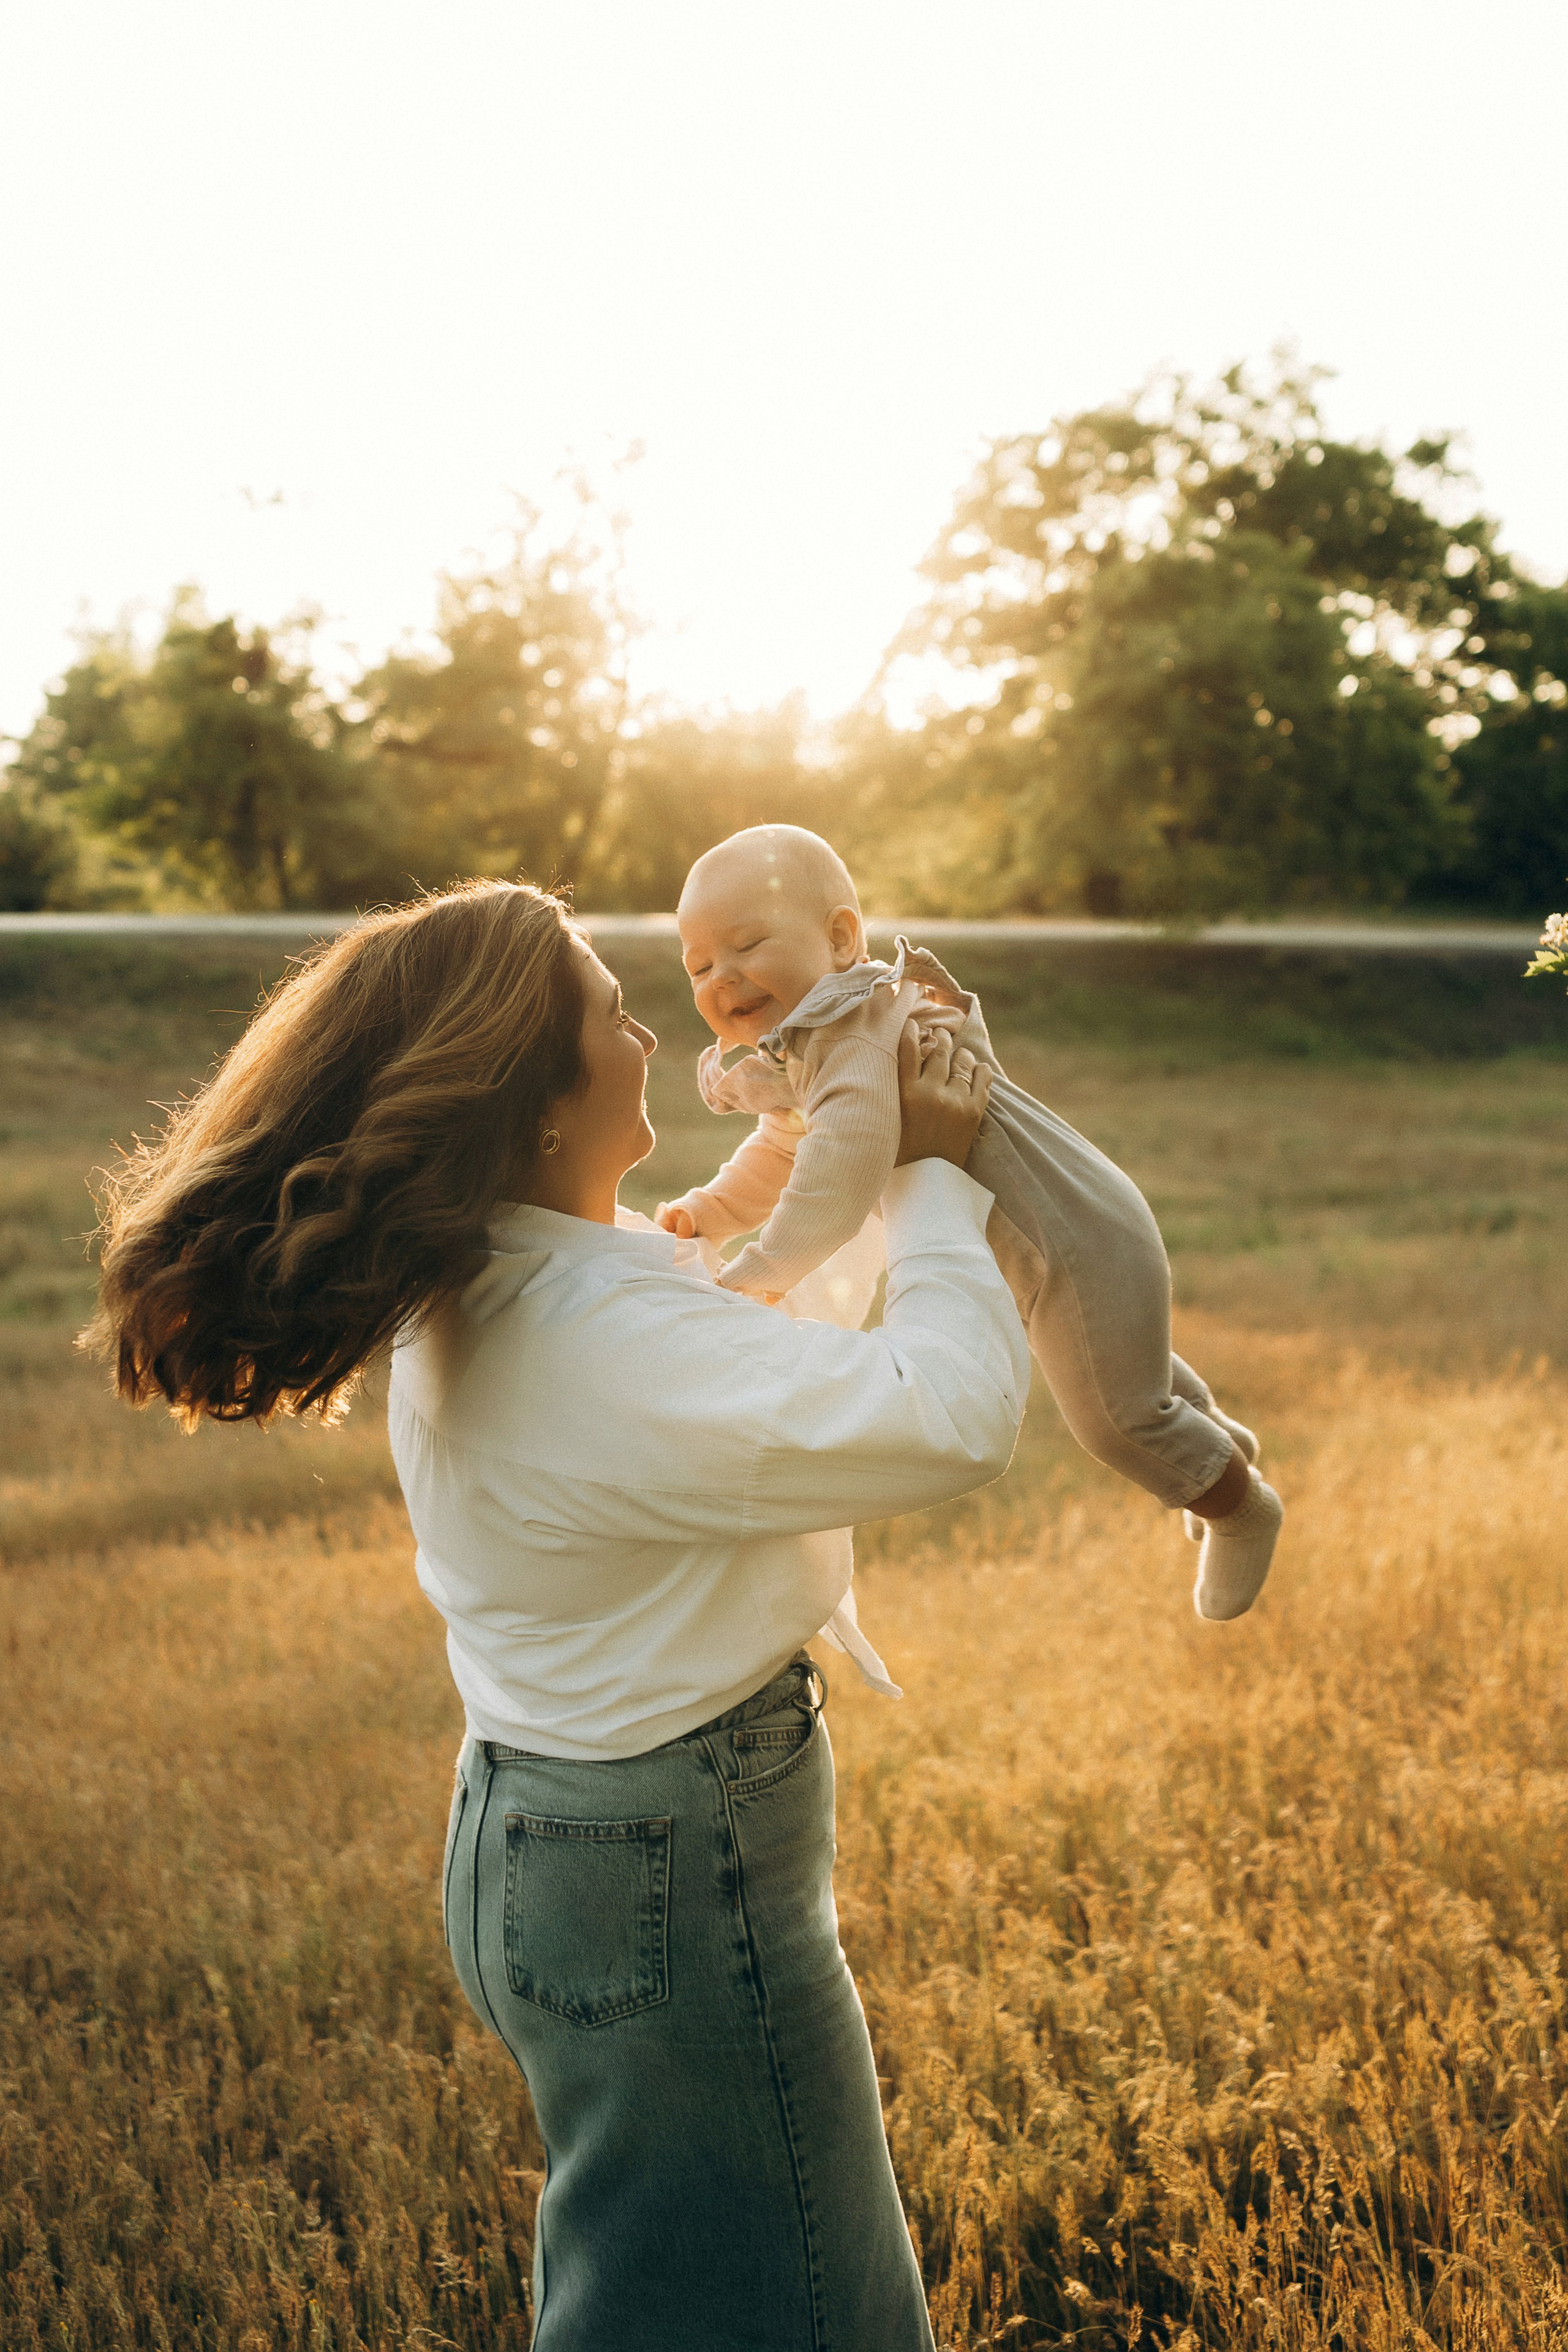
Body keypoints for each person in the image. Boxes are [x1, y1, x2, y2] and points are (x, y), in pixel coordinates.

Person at [83, 878, 1028, 2352]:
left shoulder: (507, 1281)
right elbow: (950, 1417)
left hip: (562, 1830)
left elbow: (747, 1375)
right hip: (663, 1847)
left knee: (677, 2287)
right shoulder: (591, 1334)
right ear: (530, 1100)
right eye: (608, 1009)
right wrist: (937, 1176)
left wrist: (850, 1136)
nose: (650, 1031)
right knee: (801, 2311)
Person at [659, 826, 1284, 1622]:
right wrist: (712, 1211)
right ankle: (1219, 1452)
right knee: (1124, 1370)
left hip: (1070, 1236)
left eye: (747, 945)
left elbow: (835, 1174)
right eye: (699, 966)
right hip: (1062, 1226)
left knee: (1116, 1420)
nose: (724, 976)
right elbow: (782, 1147)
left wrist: (768, 1268)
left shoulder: (851, 1040)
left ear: (842, 939)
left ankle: (1239, 1506)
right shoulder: (822, 1044)